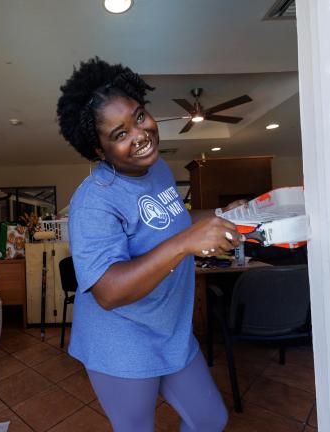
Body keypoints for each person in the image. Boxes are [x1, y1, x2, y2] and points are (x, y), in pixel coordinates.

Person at [56, 58, 243, 431]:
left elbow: (170, 220)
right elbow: (108, 291)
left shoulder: (157, 169)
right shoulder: (94, 200)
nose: (140, 134)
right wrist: (186, 244)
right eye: (119, 134)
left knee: (210, 420)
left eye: (139, 117)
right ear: (98, 149)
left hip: (171, 332)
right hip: (121, 342)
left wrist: (220, 213)